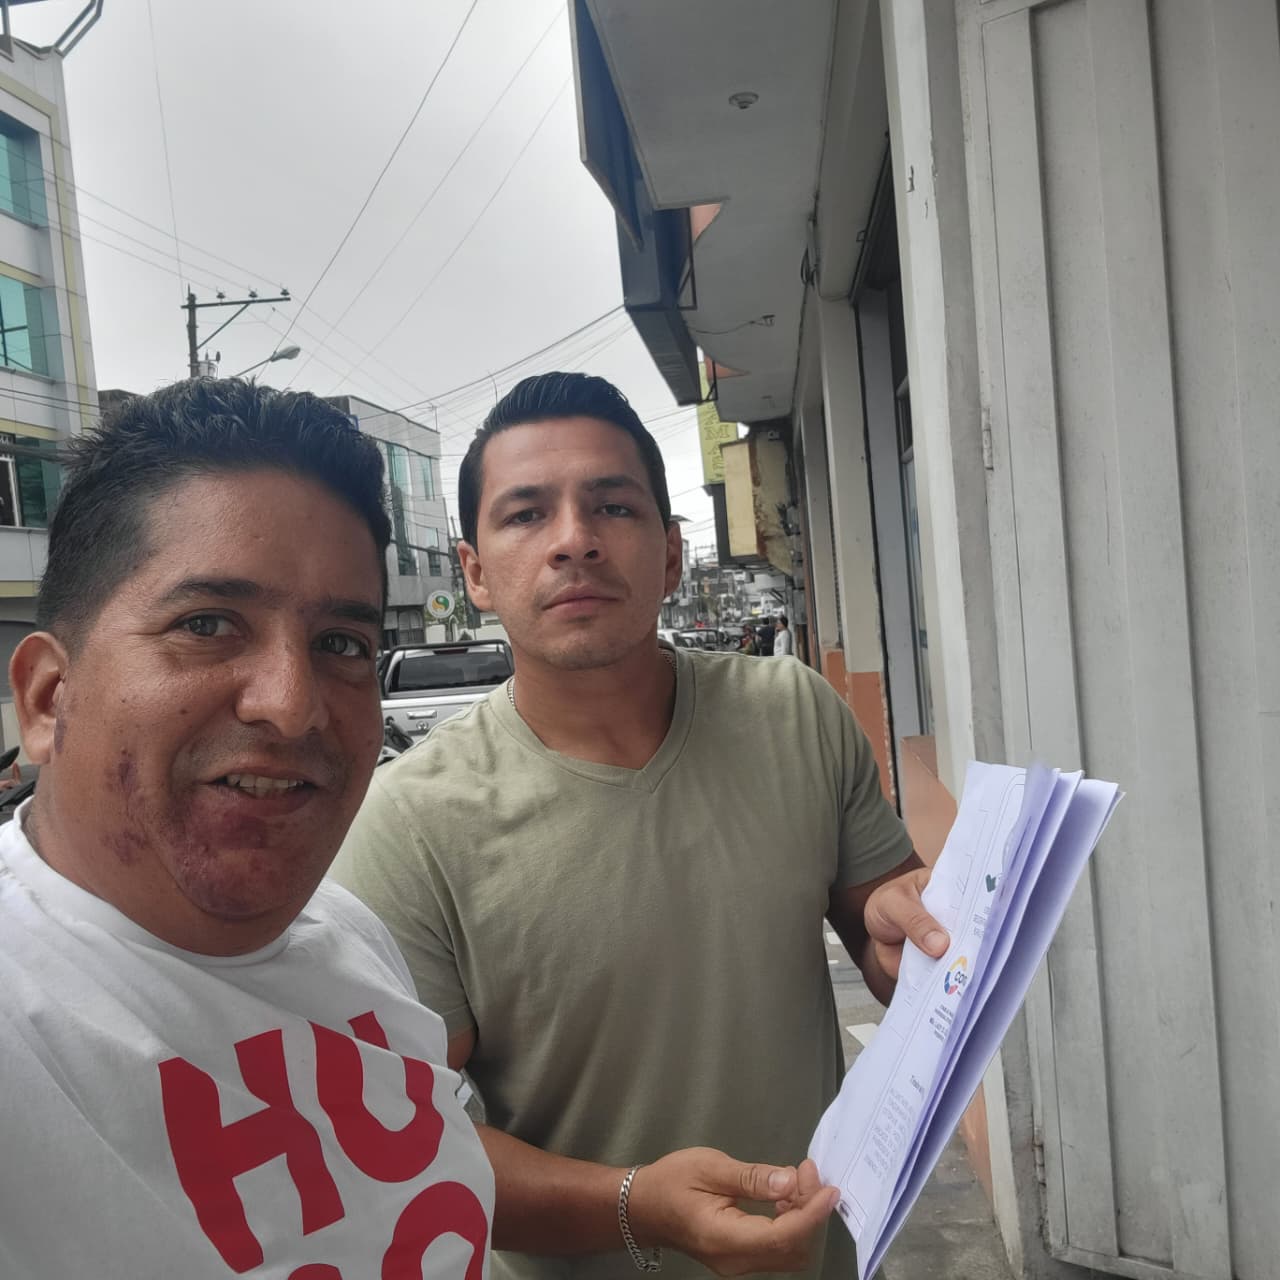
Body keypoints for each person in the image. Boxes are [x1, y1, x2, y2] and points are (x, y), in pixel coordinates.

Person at [0, 378, 825, 1280]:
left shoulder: (351, 947)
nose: (290, 703)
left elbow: (454, 1162)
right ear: (47, 698)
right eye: (206, 624)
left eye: (341, 643)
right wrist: (643, 1206)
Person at [333, 372, 948, 1280]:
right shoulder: (409, 822)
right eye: (526, 514)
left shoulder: (794, 714)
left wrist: (919, 949)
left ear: (669, 554)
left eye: (612, 506)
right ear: (475, 574)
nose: (573, 540)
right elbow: (404, 1142)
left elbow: (886, 937)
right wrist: (638, 1206)